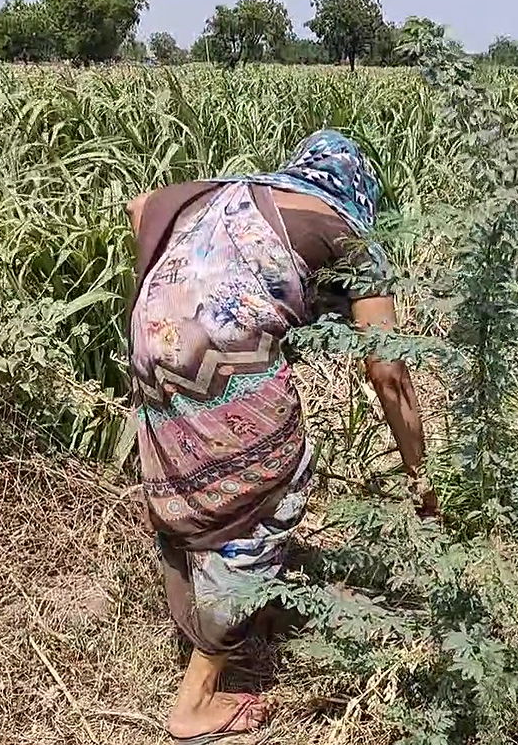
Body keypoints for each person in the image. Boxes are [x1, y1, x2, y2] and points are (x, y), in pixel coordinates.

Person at [126, 130, 434, 743]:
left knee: (202, 479)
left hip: (153, 338)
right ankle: (196, 697)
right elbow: (388, 372)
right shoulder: (349, 234)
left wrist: (184, 293)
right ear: (361, 191)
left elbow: (142, 206)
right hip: (224, 353)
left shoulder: (231, 193)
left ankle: (243, 607)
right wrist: (420, 473)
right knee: (274, 482)